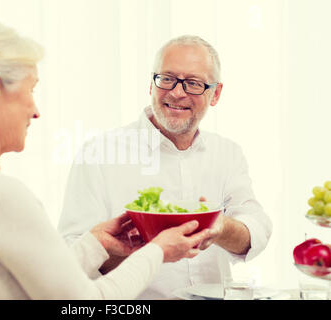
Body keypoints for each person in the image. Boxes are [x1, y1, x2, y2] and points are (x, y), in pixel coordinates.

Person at [0, 22, 211, 300]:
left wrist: (96, 244)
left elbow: (35, 282)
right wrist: (159, 250)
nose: (35, 110)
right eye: (31, 89)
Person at [58, 35, 273, 299]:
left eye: (193, 83)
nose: (177, 92)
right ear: (151, 84)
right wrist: (137, 249)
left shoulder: (227, 153)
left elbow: (257, 230)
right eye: (167, 79)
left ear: (215, 94)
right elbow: (72, 258)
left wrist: (220, 227)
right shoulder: (99, 154)